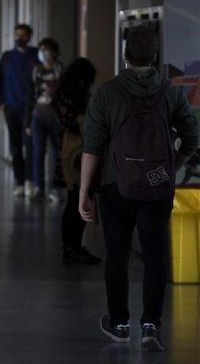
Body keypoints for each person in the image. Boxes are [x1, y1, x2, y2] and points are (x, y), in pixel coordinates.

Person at [80, 25, 199, 351]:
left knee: (116, 255)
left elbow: (92, 145)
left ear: (125, 57)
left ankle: (119, 322)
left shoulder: (106, 93)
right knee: (155, 255)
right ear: (156, 57)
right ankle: (151, 324)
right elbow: (192, 137)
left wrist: (83, 193)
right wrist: (169, 169)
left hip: (116, 185)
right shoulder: (171, 92)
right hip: (157, 188)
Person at [52, 58, 101, 265]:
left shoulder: (63, 94)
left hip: (68, 150)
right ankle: (73, 248)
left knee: (74, 200)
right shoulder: (76, 97)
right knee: (78, 200)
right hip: (77, 151)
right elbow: (81, 123)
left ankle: (72, 247)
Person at [0, 23, 39, 197]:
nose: (20, 37)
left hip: (31, 109)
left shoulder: (36, 56)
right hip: (11, 108)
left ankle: (30, 180)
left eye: (23, 35)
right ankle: (20, 181)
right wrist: (1, 103)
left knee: (31, 144)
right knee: (16, 146)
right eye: (17, 34)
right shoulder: (7, 58)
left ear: (29, 36)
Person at [25, 38, 64, 202]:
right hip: (38, 116)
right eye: (41, 49)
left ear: (54, 52)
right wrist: (27, 122)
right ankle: (38, 186)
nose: (44, 53)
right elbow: (29, 96)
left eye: (47, 50)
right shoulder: (36, 70)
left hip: (56, 117)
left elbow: (65, 94)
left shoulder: (61, 70)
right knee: (38, 151)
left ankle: (56, 189)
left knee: (57, 153)